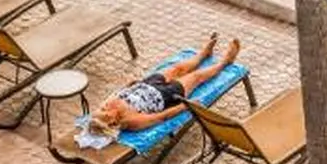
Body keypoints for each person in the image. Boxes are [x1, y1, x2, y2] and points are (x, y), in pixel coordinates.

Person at [90, 35, 240, 133]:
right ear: (112, 121)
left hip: (147, 84)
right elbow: (161, 117)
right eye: (105, 110)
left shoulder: (111, 106)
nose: (106, 106)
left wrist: (129, 86)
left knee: (178, 68)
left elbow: (119, 94)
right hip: (165, 95)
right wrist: (185, 105)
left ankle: (203, 54)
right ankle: (225, 62)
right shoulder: (131, 121)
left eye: (102, 107)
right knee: (195, 77)